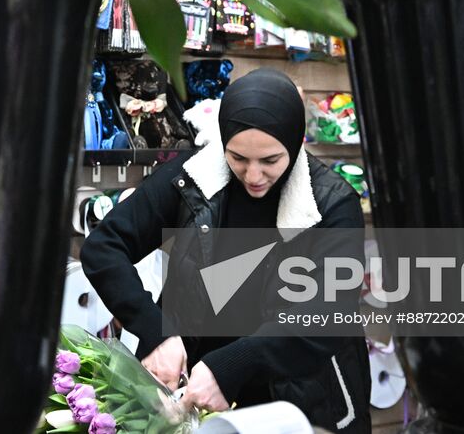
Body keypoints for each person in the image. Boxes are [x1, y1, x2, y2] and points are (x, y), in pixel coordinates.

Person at [81, 69, 370, 431]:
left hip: (295, 399)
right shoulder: (191, 177)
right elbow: (104, 247)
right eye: (238, 158)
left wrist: (232, 365)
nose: (252, 175)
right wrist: (156, 331)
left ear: (295, 144)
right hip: (191, 397)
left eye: (270, 161)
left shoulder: (332, 203)